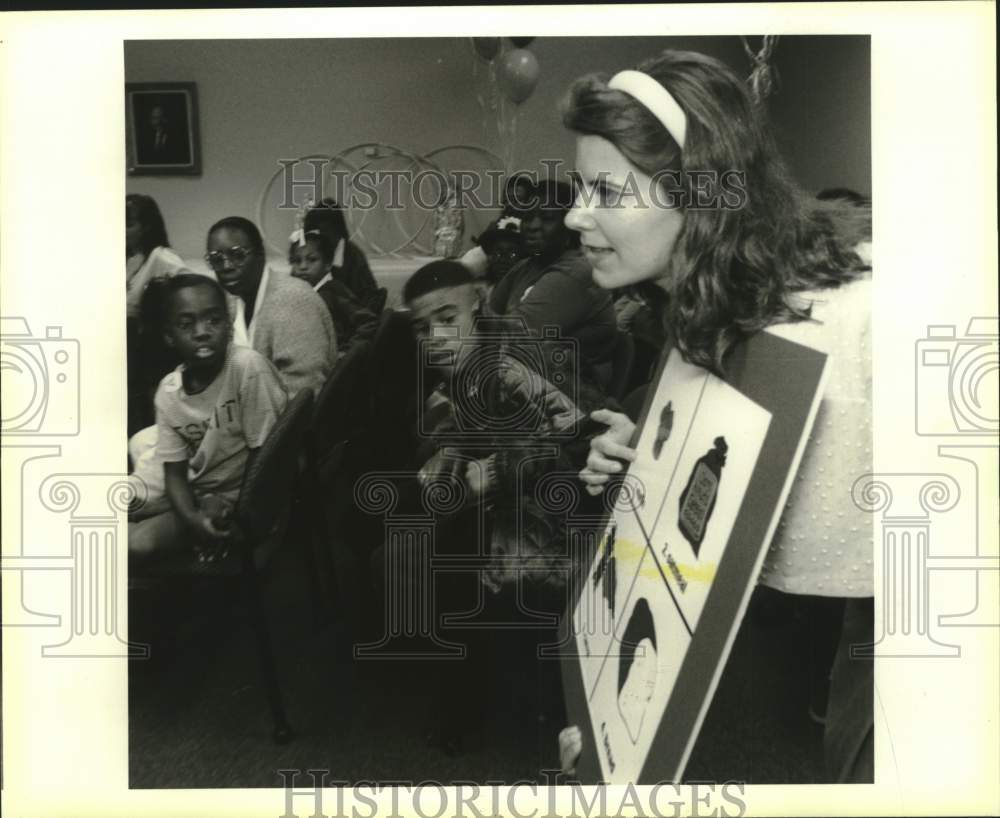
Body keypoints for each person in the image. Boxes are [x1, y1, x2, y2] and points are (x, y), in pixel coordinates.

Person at [562, 50, 873, 782]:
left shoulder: (849, 323)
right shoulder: (707, 293)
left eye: (607, 190)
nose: (576, 214)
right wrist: (651, 450)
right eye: (580, 187)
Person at [128, 274, 287, 558]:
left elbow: (268, 459)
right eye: (186, 325)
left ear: (228, 324)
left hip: (240, 498)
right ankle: (170, 512)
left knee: (136, 544)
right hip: (198, 494)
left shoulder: (247, 367)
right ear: (169, 335)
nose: (202, 332)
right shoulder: (169, 392)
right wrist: (192, 518)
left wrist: (239, 512)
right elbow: (174, 473)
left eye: (213, 320)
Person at [488, 179, 617, 395]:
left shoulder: (577, 272)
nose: (533, 226)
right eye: (528, 217)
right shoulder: (525, 266)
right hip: (528, 380)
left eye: (547, 218)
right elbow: (486, 319)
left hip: (573, 397)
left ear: (569, 226)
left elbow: (513, 336)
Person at [205, 216, 336, 398]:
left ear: (260, 255)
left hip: (287, 423)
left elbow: (304, 395)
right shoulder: (234, 301)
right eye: (216, 259)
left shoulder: (293, 301)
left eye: (238, 255)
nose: (226, 266)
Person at [288, 229, 378, 356]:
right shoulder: (299, 293)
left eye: (312, 260)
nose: (303, 266)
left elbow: (368, 321)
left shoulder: (334, 291)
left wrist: (348, 352)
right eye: (297, 261)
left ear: (328, 264)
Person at [303, 198, 385, 315]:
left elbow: (365, 300)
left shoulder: (353, 256)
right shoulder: (314, 252)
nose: (320, 239)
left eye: (324, 232)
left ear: (336, 231)